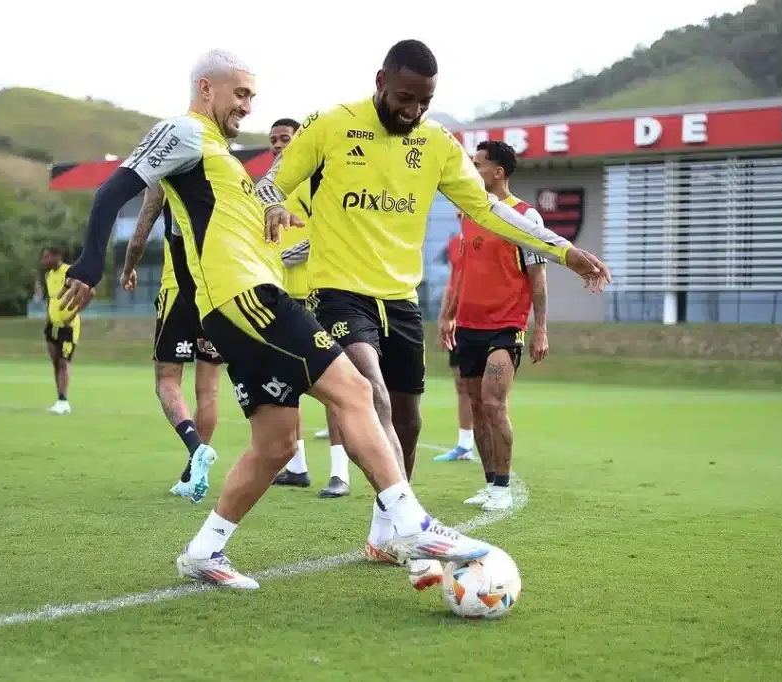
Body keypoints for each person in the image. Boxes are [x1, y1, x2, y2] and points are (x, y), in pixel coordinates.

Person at [58, 48, 497, 590]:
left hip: (235, 306)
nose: (249, 105)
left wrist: (274, 218)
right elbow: (113, 189)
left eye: (252, 95)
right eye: (239, 93)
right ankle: (410, 523)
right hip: (249, 301)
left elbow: (208, 232)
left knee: (277, 442)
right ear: (205, 89)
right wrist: (89, 261)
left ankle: (204, 551)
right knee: (356, 392)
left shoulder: (219, 153)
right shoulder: (185, 131)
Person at [256, 39, 610, 566]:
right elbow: (268, 184)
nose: (413, 110)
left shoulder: (437, 144)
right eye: (404, 97)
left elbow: (488, 210)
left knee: (409, 420)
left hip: (400, 299)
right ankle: (412, 521)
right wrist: (273, 207)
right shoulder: (330, 126)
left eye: (424, 101)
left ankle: (384, 533)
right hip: (337, 293)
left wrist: (563, 251)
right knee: (369, 391)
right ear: (380, 81)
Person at [439, 140, 550, 510]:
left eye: (478, 165)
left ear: (497, 172)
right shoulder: (470, 213)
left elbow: (538, 278)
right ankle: (490, 484)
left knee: (494, 402)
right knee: (475, 404)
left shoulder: (525, 216)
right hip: (468, 326)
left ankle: (502, 489)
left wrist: (542, 329)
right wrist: (449, 315)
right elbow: (463, 274)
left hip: (506, 326)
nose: (472, 170)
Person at [268, 117, 352, 499]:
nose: (278, 145)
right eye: (273, 140)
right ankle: (297, 465)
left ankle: (340, 472)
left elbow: (324, 234)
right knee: (286, 384)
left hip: (316, 296)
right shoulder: (270, 190)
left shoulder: (317, 180)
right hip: (279, 299)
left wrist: (282, 257)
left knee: (334, 386)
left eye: (285, 138)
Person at [121, 186, 222, 503]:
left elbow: (142, 229)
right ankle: (192, 474)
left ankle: (197, 450)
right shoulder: (224, 170)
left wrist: (128, 267)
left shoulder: (170, 170)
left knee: (166, 381)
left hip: (178, 288)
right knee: (209, 389)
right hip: (215, 292)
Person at [434, 228, 475, 462]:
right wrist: (444, 318)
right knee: (461, 384)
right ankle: (464, 444)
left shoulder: (484, 238)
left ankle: (487, 441)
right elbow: (452, 282)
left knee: (482, 387)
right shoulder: (455, 243)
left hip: (478, 320)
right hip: (456, 320)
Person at [41, 247, 80, 415]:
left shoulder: (70, 272)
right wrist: (48, 318)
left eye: (47, 257)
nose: (44, 260)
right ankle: (60, 399)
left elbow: (88, 293)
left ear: (57, 256)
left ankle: (64, 401)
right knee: (56, 363)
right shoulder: (48, 276)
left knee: (64, 362)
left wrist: (71, 316)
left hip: (68, 327)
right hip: (52, 325)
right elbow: (51, 299)